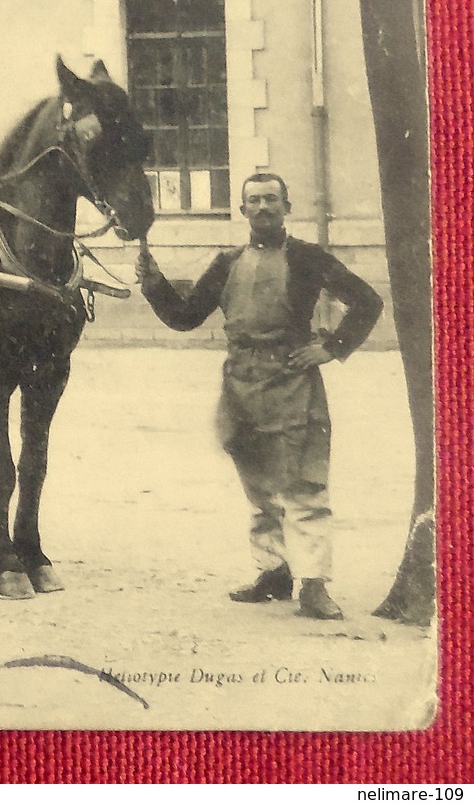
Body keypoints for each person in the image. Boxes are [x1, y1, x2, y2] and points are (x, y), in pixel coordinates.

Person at [136, 172, 382, 621]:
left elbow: (367, 301)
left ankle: (314, 586)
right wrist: (154, 284)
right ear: (242, 209)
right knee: (259, 490)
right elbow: (185, 317)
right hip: (241, 386)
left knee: (304, 486)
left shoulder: (309, 258)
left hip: (293, 385)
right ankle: (273, 572)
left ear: (286, 207)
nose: (264, 207)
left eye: (272, 199)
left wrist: (331, 347)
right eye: (255, 200)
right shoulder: (226, 262)